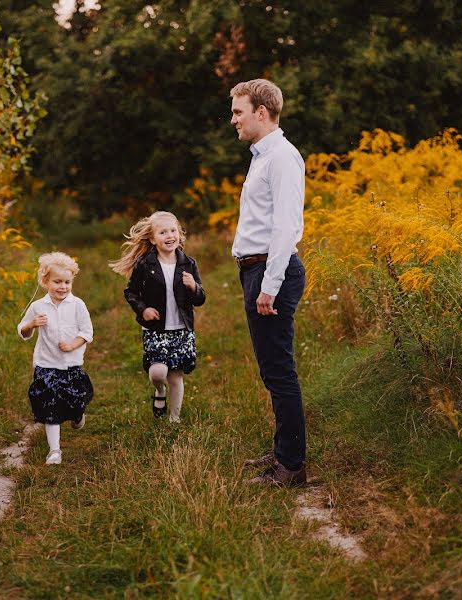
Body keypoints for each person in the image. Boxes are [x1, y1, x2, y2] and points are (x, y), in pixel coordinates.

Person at [229, 79, 310, 486]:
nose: (234, 120)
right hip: (256, 270)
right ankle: (283, 449)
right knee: (270, 370)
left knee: (280, 371)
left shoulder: (281, 157)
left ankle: (291, 466)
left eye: (238, 112)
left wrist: (270, 285)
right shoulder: (262, 156)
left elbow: (285, 228)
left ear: (261, 112)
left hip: (271, 273)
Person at [110, 211, 206, 423]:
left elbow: (200, 299)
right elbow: (131, 292)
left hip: (181, 328)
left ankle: (175, 419)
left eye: (173, 230)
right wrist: (143, 309)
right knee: (158, 372)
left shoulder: (188, 263)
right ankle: (159, 391)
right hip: (156, 328)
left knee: (176, 375)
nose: (169, 235)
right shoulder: (146, 264)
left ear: (179, 234)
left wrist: (194, 287)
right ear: (153, 239)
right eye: (163, 232)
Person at [18, 252, 94, 465]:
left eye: (67, 282)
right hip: (46, 365)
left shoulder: (77, 305)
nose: (63, 287)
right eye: (57, 282)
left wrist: (72, 345)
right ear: (45, 281)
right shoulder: (37, 307)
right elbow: (22, 332)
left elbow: (87, 332)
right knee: (50, 407)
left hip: (71, 365)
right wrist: (31, 325)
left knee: (75, 402)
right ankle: (55, 451)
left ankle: (78, 415)